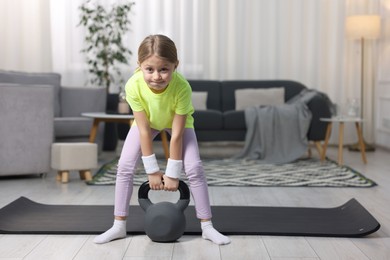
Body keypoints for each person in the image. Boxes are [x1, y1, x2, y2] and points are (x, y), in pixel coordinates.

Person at [94, 34, 230, 245]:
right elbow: (144, 130)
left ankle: (207, 226)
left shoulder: (182, 87)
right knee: (124, 167)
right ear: (139, 66)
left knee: (194, 168)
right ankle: (118, 225)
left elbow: (176, 135)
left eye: (164, 69)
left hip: (177, 124)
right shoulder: (133, 86)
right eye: (150, 69)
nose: (156, 76)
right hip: (146, 124)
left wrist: (172, 173)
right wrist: (152, 171)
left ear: (175, 65)